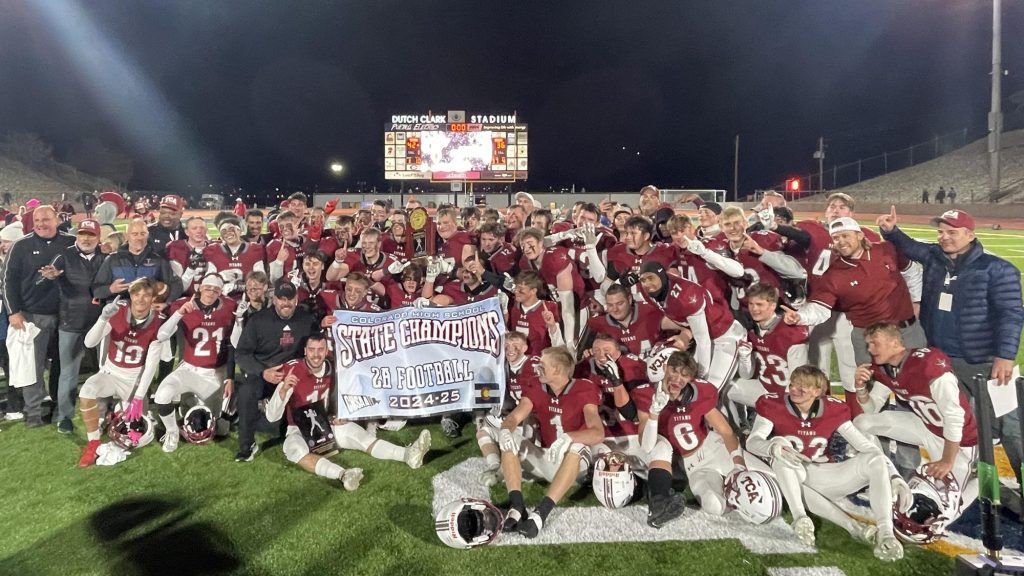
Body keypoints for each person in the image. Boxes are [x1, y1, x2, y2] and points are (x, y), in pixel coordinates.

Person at [878, 206, 1023, 486]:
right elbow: (911, 246)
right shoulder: (935, 258)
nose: (944, 237)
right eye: (941, 232)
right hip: (941, 359)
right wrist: (891, 231)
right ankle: (969, 478)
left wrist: (1005, 355)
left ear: (970, 234)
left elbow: (1011, 314)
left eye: (952, 232)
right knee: (958, 421)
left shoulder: (998, 269)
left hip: (982, 360)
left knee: (1010, 425)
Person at [747, 365, 909, 561]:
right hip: (791, 476)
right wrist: (773, 448)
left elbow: (867, 447)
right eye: (793, 384)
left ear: (817, 391)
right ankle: (801, 519)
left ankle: (886, 533)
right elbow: (753, 441)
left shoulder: (833, 409)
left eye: (802, 386)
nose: (794, 390)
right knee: (782, 452)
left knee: (875, 459)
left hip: (825, 474)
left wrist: (893, 475)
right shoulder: (773, 404)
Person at [264, 334, 432, 488]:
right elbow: (272, 417)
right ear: (305, 351)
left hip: (326, 425)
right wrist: (283, 390)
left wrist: (339, 413)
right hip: (299, 429)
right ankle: (343, 475)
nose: (316, 355)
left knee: (361, 436)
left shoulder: (335, 367)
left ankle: (407, 455)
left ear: (326, 350)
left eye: (320, 349)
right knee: (293, 448)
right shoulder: (293, 371)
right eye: (312, 350)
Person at [853, 322, 979, 524]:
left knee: (943, 515)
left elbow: (955, 416)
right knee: (862, 423)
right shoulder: (885, 368)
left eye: (874, 343)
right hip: (925, 426)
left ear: (895, 343)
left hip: (958, 440)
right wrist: (861, 389)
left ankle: (979, 480)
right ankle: (885, 476)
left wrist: (947, 460)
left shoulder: (927, 364)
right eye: (868, 344)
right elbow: (871, 410)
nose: (869, 349)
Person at [497, 346, 603, 538]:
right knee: (509, 438)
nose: (538, 368)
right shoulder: (537, 387)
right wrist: (505, 430)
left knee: (578, 447)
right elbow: (513, 418)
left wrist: (569, 437)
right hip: (547, 456)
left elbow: (597, 433)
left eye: (543, 365)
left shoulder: (584, 388)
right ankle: (517, 506)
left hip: (574, 466)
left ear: (557, 369)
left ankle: (541, 513)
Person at [644, 351, 745, 525]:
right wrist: (654, 412)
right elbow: (647, 446)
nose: (677, 379)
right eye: (674, 371)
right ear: (664, 368)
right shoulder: (647, 394)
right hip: (692, 466)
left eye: (684, 375)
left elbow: (725, 431)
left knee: (763, 477)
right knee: (714, 505)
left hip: (712, 447)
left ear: (691, 379)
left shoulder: (700, 393)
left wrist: (739, 465)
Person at [77, 278, 164, 467]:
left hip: (135, 379)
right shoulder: (117, 312)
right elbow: (89, 343)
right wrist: (103, 318)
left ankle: (116, 414)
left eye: (146, 295)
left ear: (152, 299)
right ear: (130, 295)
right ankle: (93, 443)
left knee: (136, 436)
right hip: (111, 373)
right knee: (86, 391)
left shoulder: (159, 323)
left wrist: (139, 397)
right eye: (136, 294)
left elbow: (151, 365)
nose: (141, 299)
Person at [2, 205, 76, 427]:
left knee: (63, 365)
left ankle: (59, 408)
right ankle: (33, 412)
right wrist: (13, 312)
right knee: (31, 367)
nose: (42, 224)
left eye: (46, 219)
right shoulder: (21, 245)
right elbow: (8, 281)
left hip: (67, 315)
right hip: (33, 316)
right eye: (37, 220)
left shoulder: (70, 242)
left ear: (57, 219)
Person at [232, 278, 317, 462]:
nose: (286, 303)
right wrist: (263, 372)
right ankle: (246, 446)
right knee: (246, 392)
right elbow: (242, 354)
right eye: (281, 298)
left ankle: (313, 434)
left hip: (295, 376)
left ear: (296, 300)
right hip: (266, 375)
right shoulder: (258, 320)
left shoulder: (306, 320)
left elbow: (317, 345)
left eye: (290, 298)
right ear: (274, 299)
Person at [152, 274, 238, 453]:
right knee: (162, 395)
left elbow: (236, 342)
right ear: (199, 287)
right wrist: (179, 314)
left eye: (216, 289)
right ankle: (172, 432)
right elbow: (162, 335)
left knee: (215, 427)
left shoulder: (230, 307)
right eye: (207, 287)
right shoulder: (184, 305)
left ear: (221, 292)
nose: (211, 292)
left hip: (216, 373)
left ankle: (218, 415)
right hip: (189, 369)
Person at [49, 218, 107, 434]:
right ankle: (64, 416)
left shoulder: (107, 258)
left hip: (100, 324)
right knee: (68, 373)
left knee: (107, 371)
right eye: (82, 234)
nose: (85, 238)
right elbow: (51, 272)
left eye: (91, 235)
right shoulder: (64, 255)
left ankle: (106, 412)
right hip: (71, 322)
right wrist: (51, 275)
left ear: (98, 238)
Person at [92, 218, 183, 304]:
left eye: (142, 234)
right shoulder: (112, 260)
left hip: (147, 313)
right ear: (127, 236)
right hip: (117, 312)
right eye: (135, 234)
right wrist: (110, 289)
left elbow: (176, 284)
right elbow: (96, 291)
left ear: (147, 235)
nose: (139, 238)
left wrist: (167, 303)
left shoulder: (158, 260)